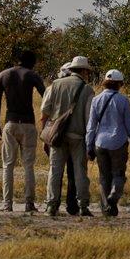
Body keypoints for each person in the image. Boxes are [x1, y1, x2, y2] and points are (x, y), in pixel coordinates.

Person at [41, 56, 95, 216]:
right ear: (84, 71)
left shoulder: (55, 85)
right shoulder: (87, 90)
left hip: (58, 134)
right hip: (78, 136)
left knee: (55, 170)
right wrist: (89, 141)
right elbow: (89, 118)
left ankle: (51, 205)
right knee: (80, 171)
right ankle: (83, 205)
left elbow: (45, 110)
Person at [0, 49, 46, 212]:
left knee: (8, 164)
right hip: (28, 123)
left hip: (11, 122)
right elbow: (46, 97)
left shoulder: (4, 75)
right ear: (32, 62)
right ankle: (29, 203)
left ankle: (7, 204)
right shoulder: (32, 75)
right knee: (28, 165)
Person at [86, 69, 130, 217]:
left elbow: (91, 126)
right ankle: (115, 194)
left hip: (100, 143)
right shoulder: (123, 100)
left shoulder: (96, 100)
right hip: (119, 142)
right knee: (118, 173)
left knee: (103, 176)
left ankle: (107, 209)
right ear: (119, 84)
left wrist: (89, 146)